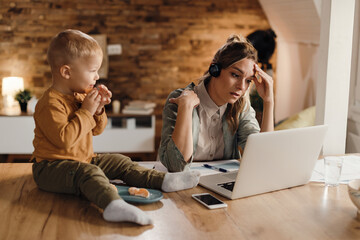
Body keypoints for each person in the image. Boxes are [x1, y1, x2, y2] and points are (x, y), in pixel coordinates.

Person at [31, 29, 200, 226]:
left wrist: (98, 109)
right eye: (92, 70)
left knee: (119, 161)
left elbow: (96, 130)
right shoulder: (50, 103)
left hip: (83, 160)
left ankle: (162, 181)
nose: (97, 77)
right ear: (66, 72)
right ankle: (112, 205)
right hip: (51, 168)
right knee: (89, 174)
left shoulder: (78, 97)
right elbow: (65, 140)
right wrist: (86, 110)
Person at [159, 34, 274, 172]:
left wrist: (268, 101)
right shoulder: (180, 100)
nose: (242, 87)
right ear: (215, 69)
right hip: (183, 184)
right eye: (235, 75)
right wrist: (186, 107)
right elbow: (176, 166)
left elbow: (262, 158)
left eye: (248, 80)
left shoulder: (241, 106)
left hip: (220, 182)